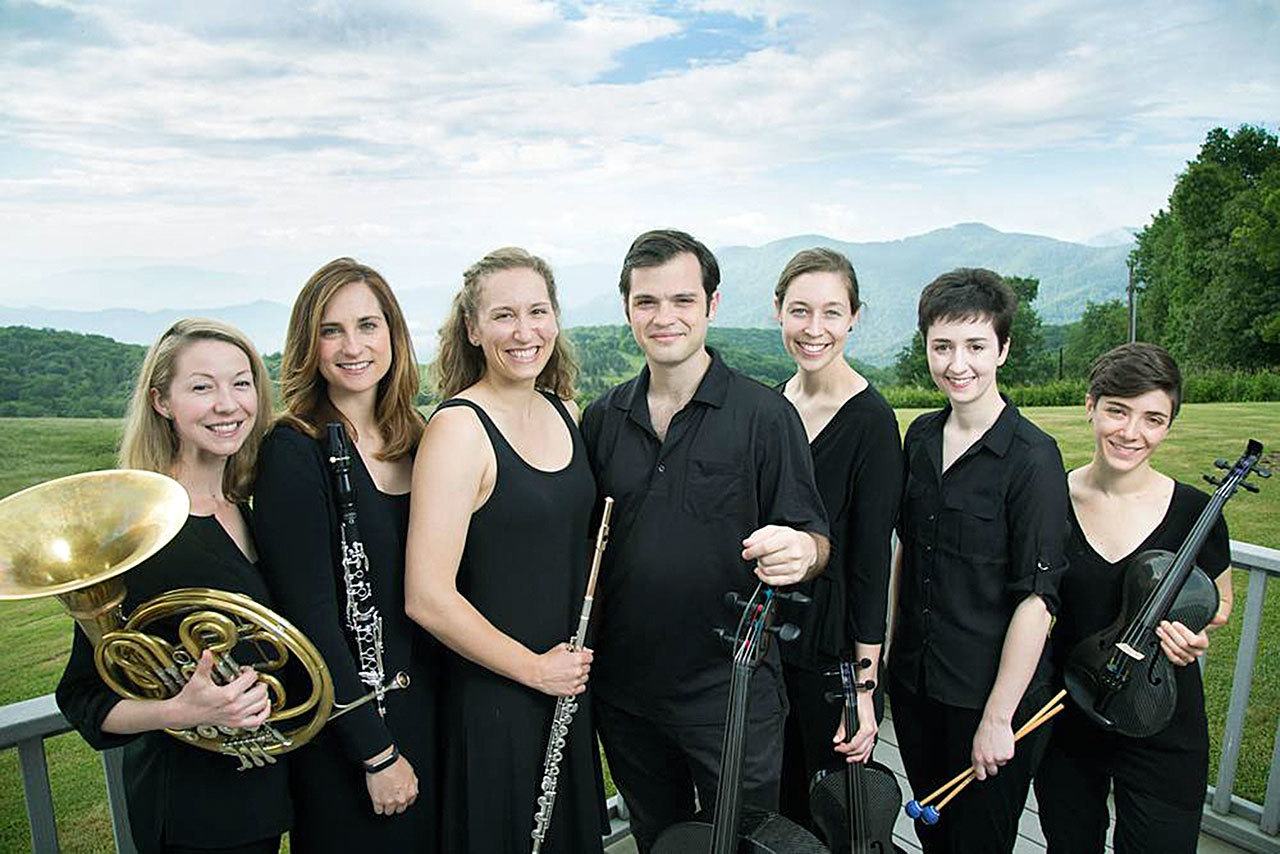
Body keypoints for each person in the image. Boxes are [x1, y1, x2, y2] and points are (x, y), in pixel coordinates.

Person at [580, 229, 831, 853]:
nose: (664, 317)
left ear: (712, 306)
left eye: (683, 300)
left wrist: (804, 552)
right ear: (628, 309)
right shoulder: (601, 419)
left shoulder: (765, 417)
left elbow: (813, 536)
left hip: (732, 692)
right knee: (657, 840)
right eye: (647, 302)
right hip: (626, 693)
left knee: (742, 844)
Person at [56, 318, 290, 854]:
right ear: (162, 401)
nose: (228, 404)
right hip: (190, 810)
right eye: (202, 387)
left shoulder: (246, 508)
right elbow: (81, 696)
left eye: (241, 382)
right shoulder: (138, 534)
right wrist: (180, 712)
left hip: (261, 795)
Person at [405, 247, 606, 854]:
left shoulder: (565, 410)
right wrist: (534, 670)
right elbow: (427, 598)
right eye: (503, 316)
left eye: (538, 312)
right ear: (472, 328)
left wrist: (558, 676)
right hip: (498, 695)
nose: (525, 332)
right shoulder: (458, 429)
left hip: (567, 688)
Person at [253, 258, 436, 852]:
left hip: (434, 714)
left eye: (368, 325)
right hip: (355, 736)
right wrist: (375, 752)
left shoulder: (422, 434)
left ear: (393, 335)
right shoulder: (293, 449)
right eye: (332, 330)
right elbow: (310, 619)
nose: (353, 346)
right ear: (310, 345)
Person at [888, 268, 1067, 853]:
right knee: (932, 833)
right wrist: (890, 654)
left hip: (989, 700)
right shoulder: (918, 437)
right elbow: (907, 555)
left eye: (975, 346)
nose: (957, 364)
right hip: (917, 687)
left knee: (979, 844)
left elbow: (1037, 601)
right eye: (942, 347)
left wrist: (998, 716)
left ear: (1004, 350)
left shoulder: (1033, 457)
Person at [1034, 343, 1233, 853]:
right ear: (1090, 407)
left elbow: (1220, 604)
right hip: (1070, 713)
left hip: (1163, 717)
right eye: (1117, 411)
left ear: (1169, 425)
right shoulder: (1050, 500)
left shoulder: (1196, 510)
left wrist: (1195, 635)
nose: (1131, 432)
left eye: (1153, 419)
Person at [769, 248, 904, 831]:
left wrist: (864, 692)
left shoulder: (872, 422)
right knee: (776, 807)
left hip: (830, 656)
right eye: (800, 310)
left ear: (854, 317)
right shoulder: (774, 404)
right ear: (778, 312)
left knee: (828, 819)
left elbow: (872, 566)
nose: (814, 328)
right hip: (766, 642)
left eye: (831, 312)